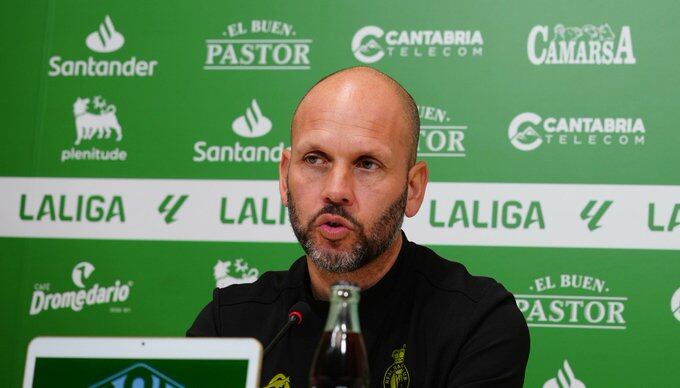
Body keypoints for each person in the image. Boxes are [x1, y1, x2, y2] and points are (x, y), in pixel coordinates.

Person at [187, 66, 530, 387]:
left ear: (413, 189)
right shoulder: (229, 326)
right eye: (315, 159)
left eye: (367, 164)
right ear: (284, 176)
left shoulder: (476, 322)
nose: (336, 190)